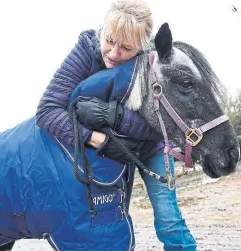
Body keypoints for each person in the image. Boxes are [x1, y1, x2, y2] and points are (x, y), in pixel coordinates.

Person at [36, 0, 197, 250]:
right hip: (106, 151)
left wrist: (115, 116)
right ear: (103, 29)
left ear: (143, 46)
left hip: (151, 148)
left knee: (169, 220)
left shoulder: (156, 61)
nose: (113, 53)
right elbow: (47, 111)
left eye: (126, 48)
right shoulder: (85, 51)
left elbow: (164, 123)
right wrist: (97, 139)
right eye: (110, 40)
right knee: (109, 218)